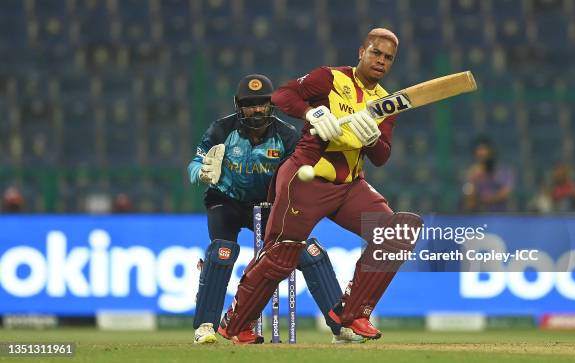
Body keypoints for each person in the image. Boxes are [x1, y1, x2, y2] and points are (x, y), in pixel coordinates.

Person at [218, 29, 422, 344]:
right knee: (281, 255)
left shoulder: (386, 103)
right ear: (361, 52)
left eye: (388, 58)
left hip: (350, 187)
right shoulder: (329, 79)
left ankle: (351, 315)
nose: (381, 61)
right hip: (305, 178)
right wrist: (310, 111)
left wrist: (373, 140)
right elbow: (283, 95)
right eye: (375, 53)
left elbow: (381, 157)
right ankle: (235, 325)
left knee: (397, 233)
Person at [188, 74, 363, 344]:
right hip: (227, 199)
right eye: (249, 104)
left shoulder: (286, 135)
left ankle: (341, 326)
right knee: (222, 251)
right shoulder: (222, 130)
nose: (256, 109)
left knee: (307, 250)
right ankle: (205, 327)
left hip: (271, 204)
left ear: (271, 105)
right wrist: (202, 173)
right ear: (238, 105)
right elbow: (194, 165)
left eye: (262, 104)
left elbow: (301, 175)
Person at [462, 136, 514, 212]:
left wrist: (487, 199)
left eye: (485, 151)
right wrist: (472, 180)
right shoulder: (472, 173)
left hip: (500, 216)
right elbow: (468, 198)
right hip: (478, 217)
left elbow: (506, 193)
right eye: (479, 153)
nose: (482, 155)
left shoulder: (503, 171)